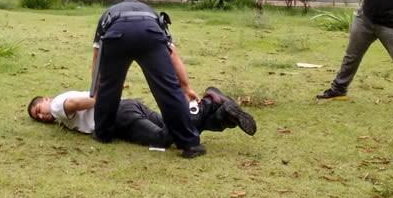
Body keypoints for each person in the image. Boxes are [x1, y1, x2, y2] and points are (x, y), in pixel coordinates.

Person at [90, 0, 206, 158]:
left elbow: (97, 58)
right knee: (168, 89)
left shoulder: (106, 16)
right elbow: (173, 55)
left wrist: (96, 88)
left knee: (109, 87)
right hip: (150, 33)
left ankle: (103, 134)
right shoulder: (153, 16)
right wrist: (185, 87)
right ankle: (190, 144)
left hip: (117, 34)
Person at [28, 86, 256, 148]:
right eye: (38, 118)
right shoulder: (59, 109)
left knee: (164, 139)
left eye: (39, 110)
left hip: (117, 115)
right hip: (126, 106)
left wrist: (105, 98)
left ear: (46, 100)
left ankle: (204, 105)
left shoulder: (57, 105)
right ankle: (221, 114)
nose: (42, 116)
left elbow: (75, 104)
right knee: (175, 127)